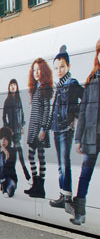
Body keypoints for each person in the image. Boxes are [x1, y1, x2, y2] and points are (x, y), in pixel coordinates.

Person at [48, 45, 84, 212]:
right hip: (57, 128)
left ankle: (67, 197)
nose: (59, 70)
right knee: (61, 165)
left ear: (68, 66)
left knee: (64, 163)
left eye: (62, 66)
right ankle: (64, 195)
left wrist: (74, 117)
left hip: (64, 129)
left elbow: (85, 99)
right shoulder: (59, 85)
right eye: (56, 68)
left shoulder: (71, 83)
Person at [71, 38, 100, 225]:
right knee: (85, 174)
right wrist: (78, 139)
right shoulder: (91, 81)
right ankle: (80, 213)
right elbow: (82, 112)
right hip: (92, 136)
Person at [25, 58, 53, 198]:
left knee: (40, 156)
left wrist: (44, 129)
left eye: (38, 69)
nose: (36, 72)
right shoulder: (36, 88)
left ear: (43, 71)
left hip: (39, 128)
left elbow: (47, 110)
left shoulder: (44, 88)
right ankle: (36, 185)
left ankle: (40, 187)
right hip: (33, 127)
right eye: (34, 70)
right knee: (32, 156)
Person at [2, 79, 31, 181]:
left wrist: (22, 125)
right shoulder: (7, 101)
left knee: (19, 151)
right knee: (12, 153)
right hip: (11, 132)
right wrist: (8, 128)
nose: (13, 87)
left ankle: (24, 170)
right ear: (9, 88)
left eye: (14, 85)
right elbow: (3, 117)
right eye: (11, 85)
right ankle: (11, 172)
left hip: (18, 131)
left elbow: (22, 114)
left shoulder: (19, 100)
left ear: (17, 87)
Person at [0, 127, 18, 197]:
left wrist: (7, 154)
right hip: (2, 177)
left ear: (9, 140)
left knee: (10, 190)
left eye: (6, 139)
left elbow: (11, 168)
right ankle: (4, 186)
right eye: (1, 139)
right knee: (5, 189)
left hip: (11, 177)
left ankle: (9, 187)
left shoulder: (13, 151)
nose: (3, 141)